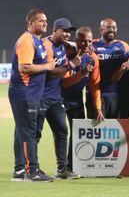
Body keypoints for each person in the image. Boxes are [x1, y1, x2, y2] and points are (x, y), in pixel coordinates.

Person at [9, 9, 54, 182]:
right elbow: (25, 67)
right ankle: (32, 171)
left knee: (21, 131)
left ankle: (20, 170)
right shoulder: (27, 41)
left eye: (45, 20)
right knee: (28, 132)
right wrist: (47, 67)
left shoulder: (37, 41)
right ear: (30, 23)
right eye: (41, 20)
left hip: (31, 94)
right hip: (25, 94)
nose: (45, 23)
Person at [61, 26, 101, 174]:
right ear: (76, 40)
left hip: (76, 100)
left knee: (77, 133)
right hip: (58, 98)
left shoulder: (93, 59)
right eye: (83, 41)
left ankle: (71, 166)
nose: (87, 44)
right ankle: (61, 166)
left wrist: (98, 108)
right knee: (61, 132)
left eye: (89, 41)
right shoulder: (66, 54)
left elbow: (95, 86)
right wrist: (82, 73)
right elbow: (64, 83)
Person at [38, 18, 75, 179]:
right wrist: (70, 66)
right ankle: (32, 168)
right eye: (64, 31)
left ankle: (62, 169)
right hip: (40, 97)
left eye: (69, 32)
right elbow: (49, 72)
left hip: (55, 98)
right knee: (35, 134)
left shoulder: (64, 46)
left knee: (62, 131)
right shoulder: (46, 45)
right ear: (55, 30)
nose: (67, 34)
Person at [92, 18, 129, 119]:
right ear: (101, 29)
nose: (112, 30)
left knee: (117, 127)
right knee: (98, 127)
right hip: (97, 94)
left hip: (117, 95)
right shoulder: (92, 45)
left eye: (114, 27)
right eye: (108, 27)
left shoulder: (123, 45)